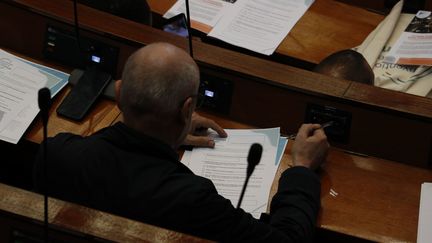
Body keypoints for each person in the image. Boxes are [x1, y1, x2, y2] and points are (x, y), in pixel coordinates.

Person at [34, 42, 329, 242]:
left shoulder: (57, 154)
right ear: (187, 109)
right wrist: (301, 168)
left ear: (120, 94)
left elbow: (111, 161)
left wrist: (168, 135)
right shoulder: (192, 199)